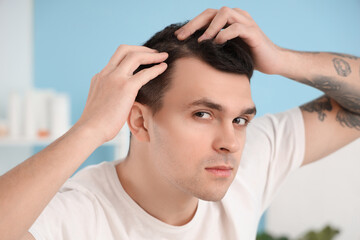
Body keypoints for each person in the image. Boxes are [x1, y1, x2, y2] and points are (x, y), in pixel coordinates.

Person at [1, 7, 359, 240]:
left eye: (240, 119)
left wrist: (280, 59)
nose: (230, 142)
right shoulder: (80, 216)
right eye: (203, 114)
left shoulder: (248, 163)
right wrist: (89, 130)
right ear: (139, 121)